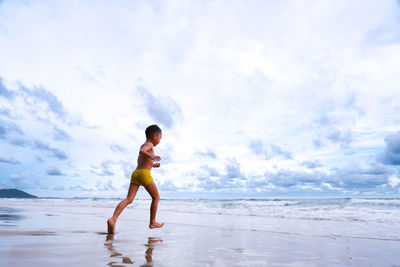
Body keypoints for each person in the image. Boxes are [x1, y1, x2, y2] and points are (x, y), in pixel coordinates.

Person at [107, 125, 165, 234]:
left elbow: (142, 161)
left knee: (129, 199)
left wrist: (152, 165)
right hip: (143, 174)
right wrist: (152, 157)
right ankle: (152, 222)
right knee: (156, 197)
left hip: (136, 173)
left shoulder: (144, 144)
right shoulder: (149, 145)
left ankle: (113, 219)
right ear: (154, 136)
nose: (160, 140)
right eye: (160, 137)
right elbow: (142, 151)